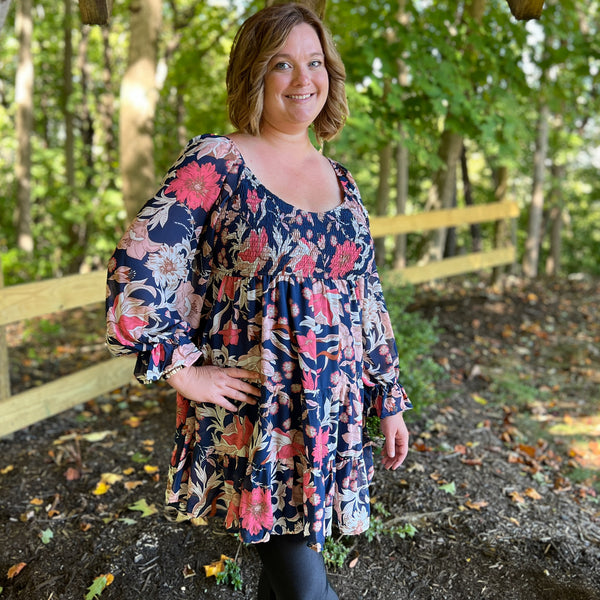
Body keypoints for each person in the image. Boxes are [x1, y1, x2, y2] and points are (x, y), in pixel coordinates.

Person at [105, 3, 412, 599]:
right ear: (254, 75)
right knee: (305, 586)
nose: (304, 80)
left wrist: (388, 397)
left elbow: (365, 300)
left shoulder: (341, 181)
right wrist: (181, 369)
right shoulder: (218, 161)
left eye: (314, 62)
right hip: (259, 415)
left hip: (328, 418)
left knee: (285, 579)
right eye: (282, 64)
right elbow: (140, 260)